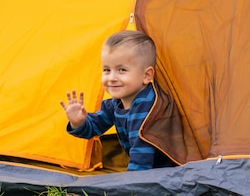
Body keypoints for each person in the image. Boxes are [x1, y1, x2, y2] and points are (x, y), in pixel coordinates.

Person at [60, 30, 173, 171]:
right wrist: (78, 123)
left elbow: (142, 152)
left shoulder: (147, 105)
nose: (112, 77)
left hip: (168, 170)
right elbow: (96, 127)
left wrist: (132, 185)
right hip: (149, 168)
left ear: (146, 75)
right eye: (107, 70)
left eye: (122, 70)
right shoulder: (114, 103)